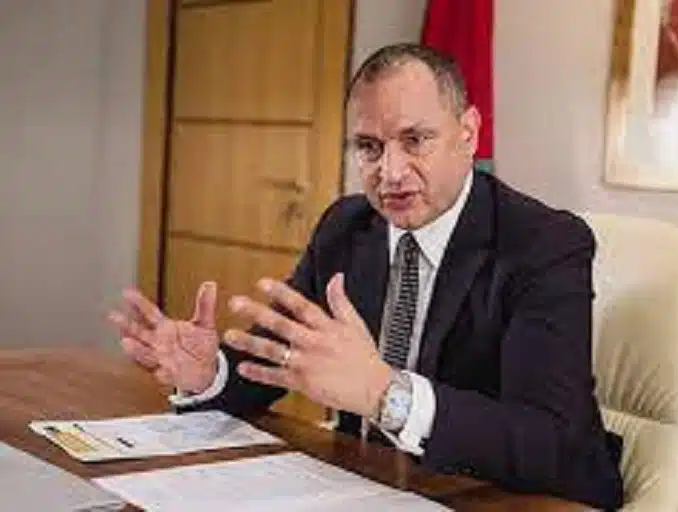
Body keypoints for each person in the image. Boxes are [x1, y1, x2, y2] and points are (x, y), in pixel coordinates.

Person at [109, 43, 624, 509]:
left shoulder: (544, 243)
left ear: (468, 133)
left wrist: (385, 394)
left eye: (415, 140)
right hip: (373, 484)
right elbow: (274, 360)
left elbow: (548, 443)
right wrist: (209, 375)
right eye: (370, 147)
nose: (390, 173)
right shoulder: (347, 226)